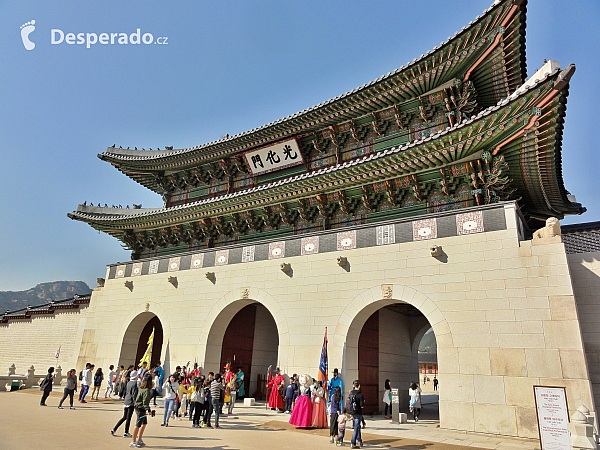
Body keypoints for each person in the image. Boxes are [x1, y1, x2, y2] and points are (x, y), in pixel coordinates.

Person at [111, 370, 139, 438]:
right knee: (128, 418)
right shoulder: (135, 384)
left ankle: (114, 429)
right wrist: (136, 403)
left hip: (126, 401)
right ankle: (126, 432)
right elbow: (134, 394)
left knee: (124, 417)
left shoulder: (129, 382)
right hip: (131, 402)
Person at [131, 373, 152, 448]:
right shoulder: (146, 390)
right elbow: (145, 402)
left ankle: (139, 439)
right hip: (140, 408)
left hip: (140, 407)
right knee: (138, 424)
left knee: (144, 423)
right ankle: (133, 441)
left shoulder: (141, 388)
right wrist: (149, 410)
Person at [349, 380, 365, 449]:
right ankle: (353, 443)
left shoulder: (351, 393)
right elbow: (362, 405)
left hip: (352, 412)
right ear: (359, 386)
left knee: (357, 427)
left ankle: (359, 440)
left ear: (353, 385)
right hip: (358, 412)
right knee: (356, 428)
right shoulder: (360, 394)